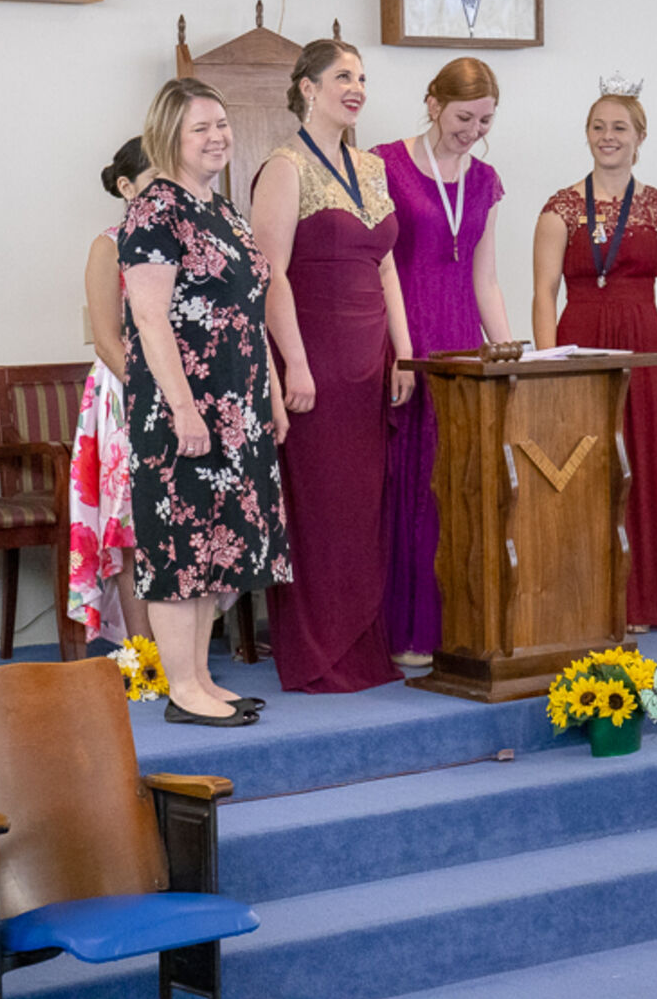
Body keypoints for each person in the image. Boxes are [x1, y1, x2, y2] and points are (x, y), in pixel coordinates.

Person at [118, 78, 291, 725]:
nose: (218, 137)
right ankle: (182, 690)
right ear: (169, 136)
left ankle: (199, 680)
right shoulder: (154, 210)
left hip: (236, 403)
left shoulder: (222, 210)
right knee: (179, 545)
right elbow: (149, 318)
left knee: (215, 544)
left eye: (222, 124)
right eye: (201, 128)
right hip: (180, 406)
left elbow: (249, 308)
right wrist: (185, 409)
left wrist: (270, 395)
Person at [253, 38, 413, 694]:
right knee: (321, 509)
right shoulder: (283, 167)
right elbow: (270, 275)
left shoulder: (371, 167)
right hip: (313, 359)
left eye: (363, 78)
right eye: (343, 76)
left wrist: (405, 352)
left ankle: (365, 646)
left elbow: (387, 268)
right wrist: (294, 364)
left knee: (364, 509)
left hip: (371, 363)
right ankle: (320, 654)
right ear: (308, 88)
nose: (357, 88)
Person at [533, 80, 657, 631]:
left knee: (643, 467)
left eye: (619, 127)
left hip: (644, 347)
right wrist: (549, 367)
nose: (608, 136)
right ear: (586, 134)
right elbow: (543, 294)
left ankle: (642, 602)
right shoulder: (559, 209)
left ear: (639, 136)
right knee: (583, 470)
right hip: (579, 343)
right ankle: (587, 600)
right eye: (598, 126)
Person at [370, 57, 510, 667]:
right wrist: (400, 352)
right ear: (433, 104)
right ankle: (404, 630)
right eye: (463, 118)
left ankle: (455, 627)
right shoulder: (383, 165)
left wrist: (510, 354)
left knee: (456, 487)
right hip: (403, 339)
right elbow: (374, 265)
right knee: (407, 483)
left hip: (461, 343)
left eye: (485, 120)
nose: (473, 131)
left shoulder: (486, 180)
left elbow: (486, 278)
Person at [67, 136, 156, 645]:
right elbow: (106, 339)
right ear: (126, 186)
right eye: (156, 179)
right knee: (132, 527)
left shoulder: (189, 239)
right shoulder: (110, 245)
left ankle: (182, 655)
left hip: (187, 393)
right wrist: (154, 393)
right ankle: (143, 659)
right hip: (128, 393)